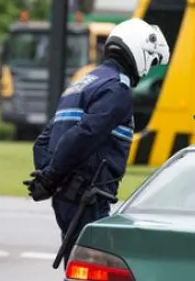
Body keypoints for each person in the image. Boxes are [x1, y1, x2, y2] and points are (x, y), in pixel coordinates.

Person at [22, 18, 170, 269]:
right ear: (138, 49)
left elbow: (44, 139)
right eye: (152, 60)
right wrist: (50, 178)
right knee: (96, 269)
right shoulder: (116, 89)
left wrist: (49, 180)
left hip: (66, 196)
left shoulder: (83, 83)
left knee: (79, 267)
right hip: (87, 198)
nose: (147, 70)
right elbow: (85, 135)